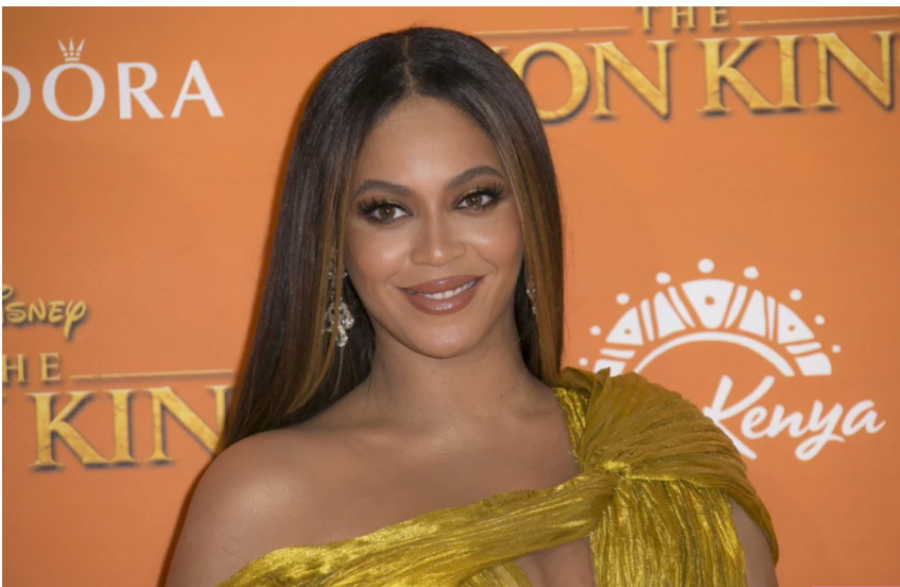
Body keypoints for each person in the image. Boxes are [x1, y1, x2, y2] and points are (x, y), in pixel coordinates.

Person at [163, 26, 779, 587]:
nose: (437, 249)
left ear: (529, 211)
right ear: (333, 243)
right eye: (387, 210)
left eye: (474, 199)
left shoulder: (660, 451)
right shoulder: (262, 498)